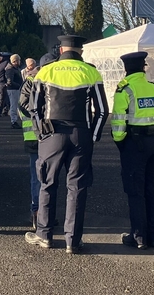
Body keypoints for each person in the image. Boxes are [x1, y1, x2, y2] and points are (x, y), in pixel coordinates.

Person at [22, 35, 109, 252]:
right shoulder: (91, 72)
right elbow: (102, 110)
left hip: (51, 134)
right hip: (81, 135)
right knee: (77, 188)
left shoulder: (46, 71)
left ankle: (44, 235)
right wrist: (94, 136)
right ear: (81, 51)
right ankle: (73, 240)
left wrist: (40, 133)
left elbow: (34, 108)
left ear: (61, 50)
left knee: (47, 184)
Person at [111, 51, 154, 250]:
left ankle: (138, 237)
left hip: (134, 145)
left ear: (126, 69)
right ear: (143, 67)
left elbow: (118, 121)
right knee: (152, 191)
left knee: (135, 192)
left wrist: (119, 141)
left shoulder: (124, 90)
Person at [18, 53, 55, 231]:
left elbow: (22, 106)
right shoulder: (32, 82)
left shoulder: (36, 82)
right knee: (39, 177)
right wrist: (42, 115)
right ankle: (38, 213)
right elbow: (23, 106)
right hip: (37, 135)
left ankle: (44, 213)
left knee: (45, 177)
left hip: (43, 135)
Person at [5, 54, 23, 129]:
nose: (20, 62)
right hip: (13, 90)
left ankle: (15, 120)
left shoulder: (12, 69)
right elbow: (10, 81)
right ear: (15, 61)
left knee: (15, 105)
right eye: (18, 60)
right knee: (14, 105)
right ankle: (13, 121)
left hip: (14, 89)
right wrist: (19, 85)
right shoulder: (10, 70)